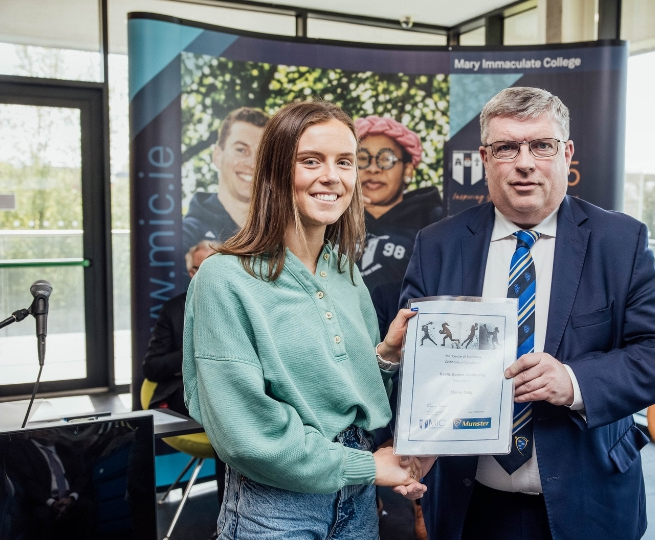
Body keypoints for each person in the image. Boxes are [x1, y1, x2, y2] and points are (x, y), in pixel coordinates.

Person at [400, 87, 655, 539]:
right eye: (506, 147)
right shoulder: (437, 245)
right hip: (468, 502)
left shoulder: (620, 241)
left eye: (541, 145)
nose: (524, 162)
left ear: (566, 153)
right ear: (484, 157)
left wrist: (573, 381)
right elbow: (413, 366)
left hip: (588, 501)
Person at [183, 100, 427, 539]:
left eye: (344, 162)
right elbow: (244, 434)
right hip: (276, 508)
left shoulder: (345, 271)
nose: (332, 176)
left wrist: (386, 357)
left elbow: (340, 393)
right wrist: (367, 465)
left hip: (357, 500)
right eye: (311, 160)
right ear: (275, 170)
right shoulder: (224, 277)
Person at [354, 115, 444, 333]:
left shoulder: (435, 224)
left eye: (386, 159)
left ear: (408, 170)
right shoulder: (327, 221)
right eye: (362, 159)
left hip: (408, 344)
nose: (373, 169)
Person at [143, 239, 218, 415]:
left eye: (216, 266)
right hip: (188, 390)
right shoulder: (173, 310)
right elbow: (152, 367)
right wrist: (194, 352)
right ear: (192, 273)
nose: (211, 273)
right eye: (203, 268)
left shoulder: (241, 306)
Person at [182, 107, 269, 253]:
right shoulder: (185, 238)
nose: (253, 163)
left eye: (262, 154)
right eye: (241, 150)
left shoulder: (282, 237)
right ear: (217, 156)